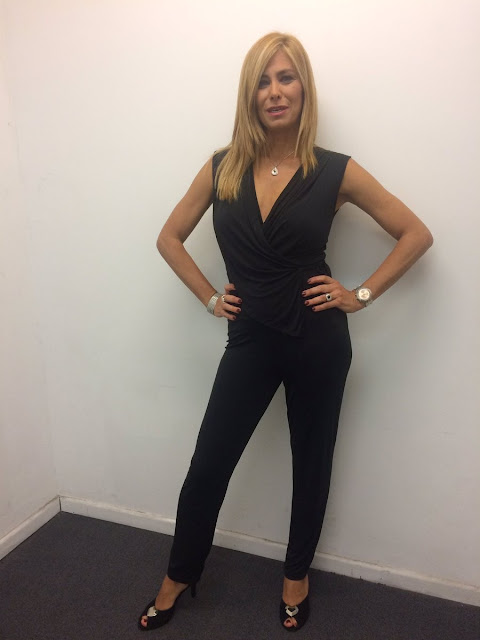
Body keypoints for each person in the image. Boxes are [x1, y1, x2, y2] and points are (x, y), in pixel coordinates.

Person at [138, 32, 433, 632]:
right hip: (249, 341)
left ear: (303, 88)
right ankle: (180, 573)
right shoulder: (222, 167)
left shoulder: (334, 170)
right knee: (208, 467)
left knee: (312, 464)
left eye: (286, 77)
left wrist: (359, 295)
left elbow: (416, 233)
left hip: (317, 340)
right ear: (249, 95)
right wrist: (210, 297)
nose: (275, 92)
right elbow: (168, 238)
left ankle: (296, 575)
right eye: (263, 81)